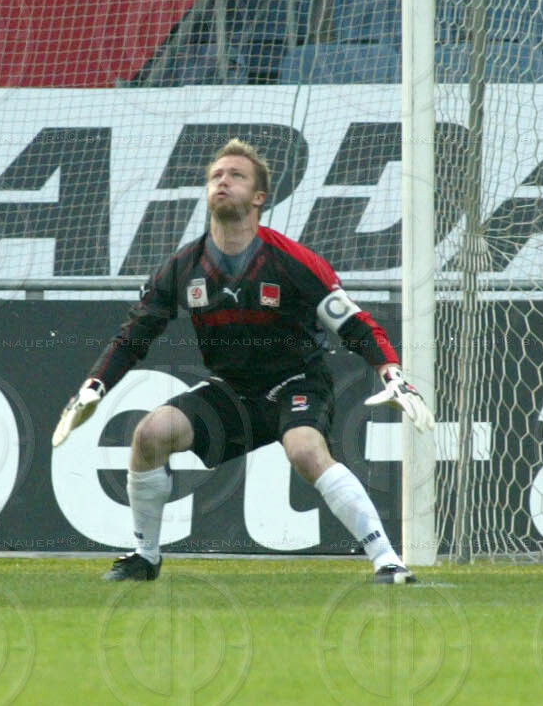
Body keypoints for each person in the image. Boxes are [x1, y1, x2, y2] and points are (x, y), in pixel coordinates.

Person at [52, 138, 434, 584]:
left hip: (296, 382)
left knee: (306, 450)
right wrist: (94, 386)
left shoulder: (292, 261)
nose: (222, 181)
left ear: (258, 197)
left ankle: (388, 561)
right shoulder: (182, 267)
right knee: (149, 434)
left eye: (235, 175)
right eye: (216, 175)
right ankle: (145, 556)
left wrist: (394, 375)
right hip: (231, 390)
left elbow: (356, 325)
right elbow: (133, 337)